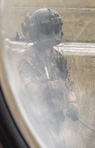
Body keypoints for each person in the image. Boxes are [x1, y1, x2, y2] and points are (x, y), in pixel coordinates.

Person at [18, 8, 79, 140]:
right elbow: (30, 90)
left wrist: (72, 105)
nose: (52, 34)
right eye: (47, 29)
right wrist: (55, 86)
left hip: (56, 116)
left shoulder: (58, 57)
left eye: (55, 28)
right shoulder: (28, 59)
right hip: (35, 119)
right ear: (36, 31)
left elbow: (67, 84)